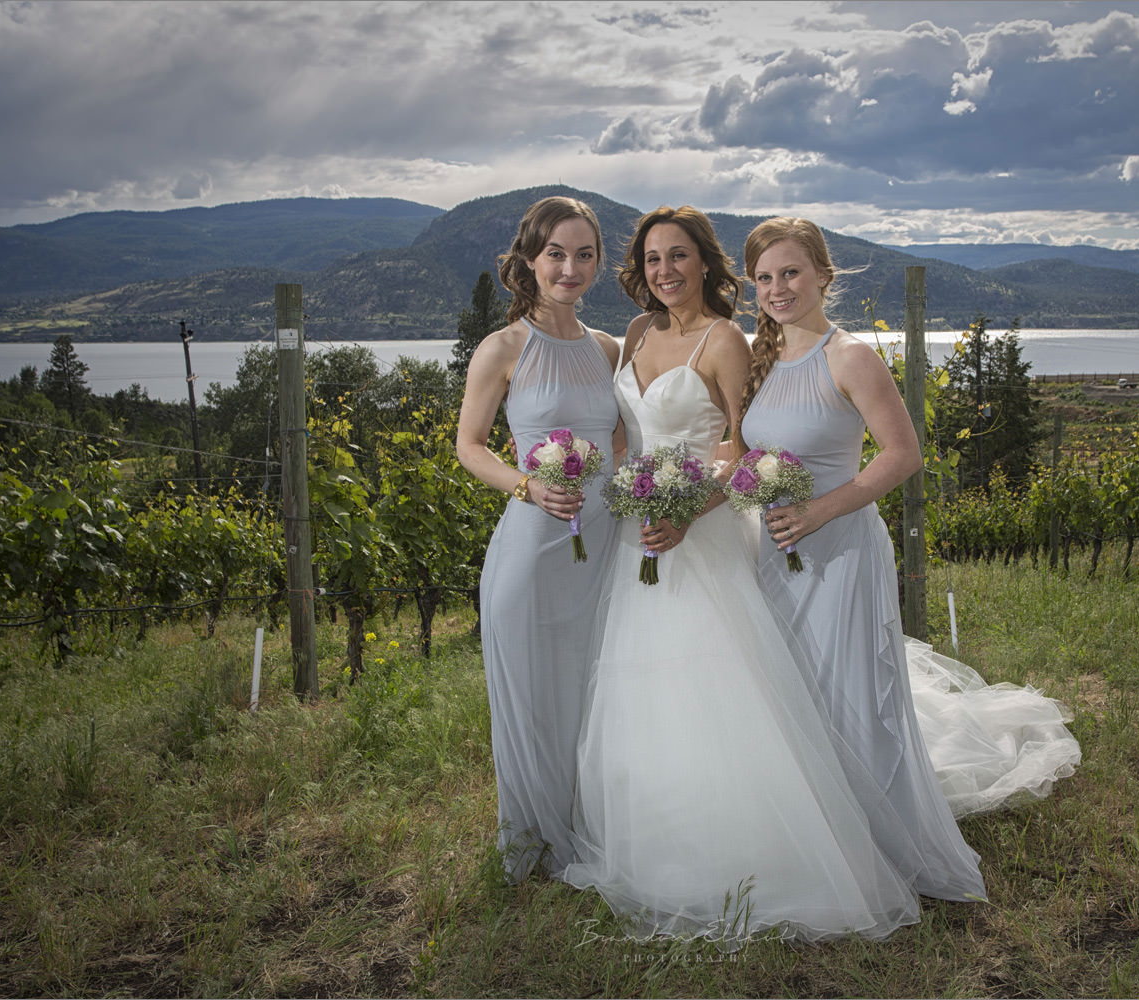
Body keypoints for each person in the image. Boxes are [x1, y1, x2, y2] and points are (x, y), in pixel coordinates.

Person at [561, 206, 966, 944]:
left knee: (816, 693)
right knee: (741, 688)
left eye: (678, 255)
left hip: (763, 537)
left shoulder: (753, 345)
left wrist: (692, 507)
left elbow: (757, 451)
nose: (665, 270)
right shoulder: (685, 340)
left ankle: (871, 842)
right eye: (652, 259)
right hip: (679, 537)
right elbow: (729, 449)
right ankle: (676, 825)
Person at [738, 218, 1081, 885]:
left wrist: (819, 511)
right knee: (792, 690)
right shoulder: (763, 359)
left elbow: (902, 454)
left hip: (839, 549)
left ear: (823, 276)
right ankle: (812, 829)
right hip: (775, 551)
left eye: (791, 272)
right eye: (764, 278)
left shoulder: (849, 358)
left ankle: (879, 841)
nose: (778, 288)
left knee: (851, 696)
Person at [455, 196, 623, 881]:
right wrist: (527, 484)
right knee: (532, 695)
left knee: (592, 687)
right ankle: (534, 840)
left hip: (605, 545)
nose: (569, 268)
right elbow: (469, 446)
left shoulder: (609, 349)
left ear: (599, 263)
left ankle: (591, 823)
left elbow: (621, 440)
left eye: (584, 255)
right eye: (556, 254)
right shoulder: (503, 347)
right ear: (529, 259)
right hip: (533, 545)